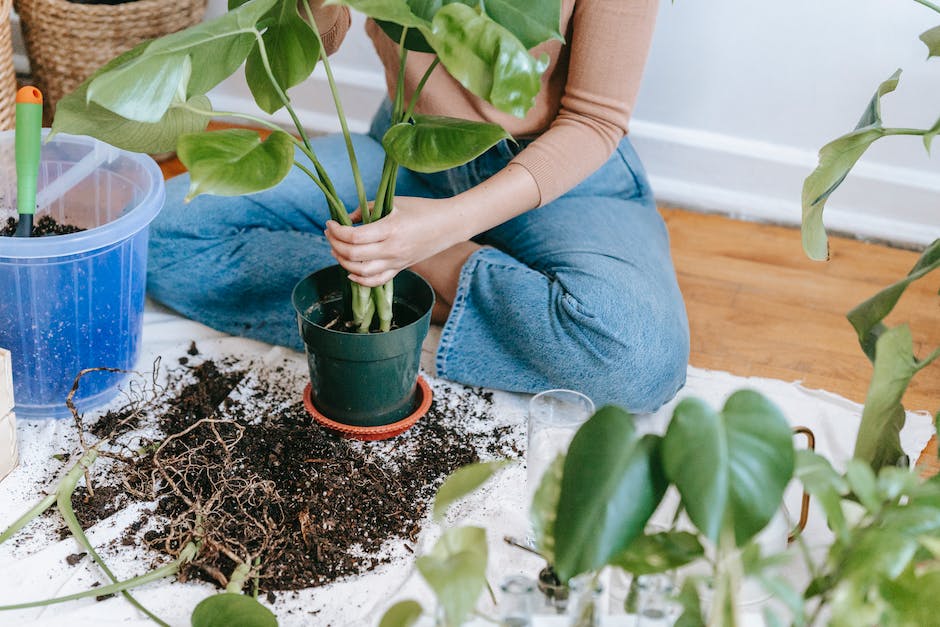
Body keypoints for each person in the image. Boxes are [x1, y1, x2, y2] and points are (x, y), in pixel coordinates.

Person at [148, 0, 690, 413]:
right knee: (159, 232)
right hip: (408, 152)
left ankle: (403, 279)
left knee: (640, 359)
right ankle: (426, 290)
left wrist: (440, 239)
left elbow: (594, 121)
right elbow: (312, 41)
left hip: (555, 170)